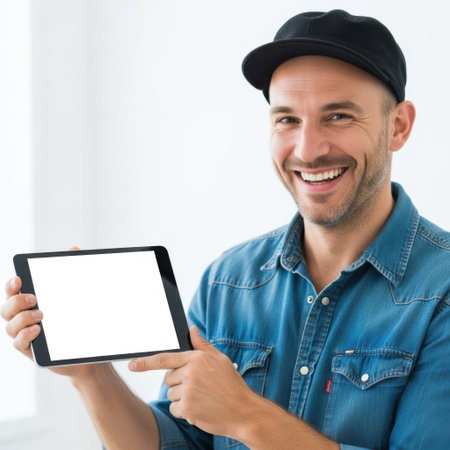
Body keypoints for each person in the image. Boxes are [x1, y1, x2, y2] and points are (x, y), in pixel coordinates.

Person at [2, 9, 450, 450]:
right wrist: (92, 375)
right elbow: (178, 444)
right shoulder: (228, 281)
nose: (308, 149)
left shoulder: (442, 290)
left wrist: (246, 415)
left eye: (338, 116)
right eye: (287, 119)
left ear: (399, 126)